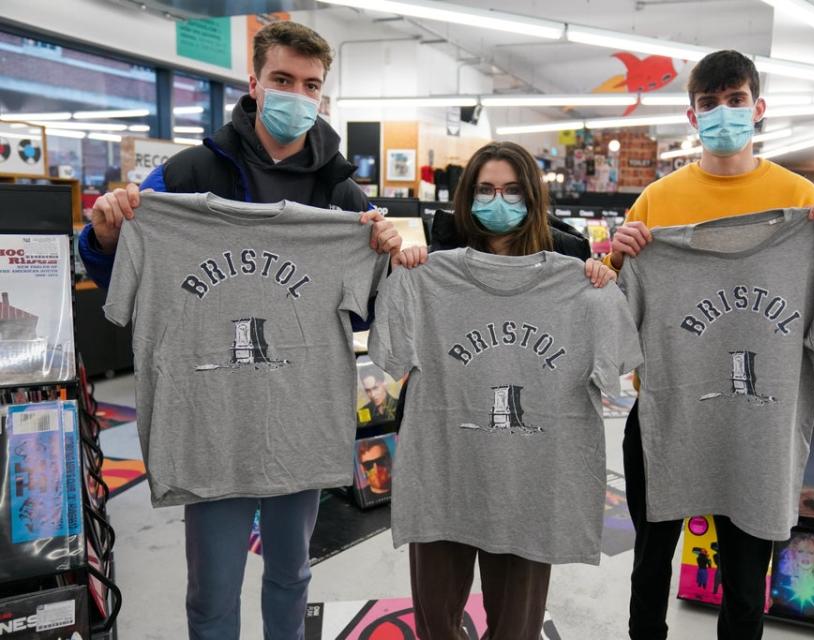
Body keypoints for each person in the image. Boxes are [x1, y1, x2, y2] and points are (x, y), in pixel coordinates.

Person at [77, 21, 400, 640]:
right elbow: (121, 273)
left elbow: (363, 314)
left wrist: (381, 258)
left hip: (299, 423)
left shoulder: (341, 194)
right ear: (254, 83)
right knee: (211, 591)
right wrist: (107, 233)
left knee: (291, 574)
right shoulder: (187, 174)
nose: (297, 96)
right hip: (211, 421)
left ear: (323, 94)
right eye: (283, 79)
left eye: (311, 85)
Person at [604, 50, 814, 640]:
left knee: (747, 586)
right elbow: (619, 319)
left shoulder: (803, 202)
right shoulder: (656, 201)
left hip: (759, 422)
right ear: (692, 117)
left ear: (759, 107)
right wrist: (619, 260)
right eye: (709, 104)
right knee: (650, 567)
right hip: (668, 416)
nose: (724, 113)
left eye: (736, 100)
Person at [391, 141, 616, 640]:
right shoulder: (434, 260)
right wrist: (406, 272)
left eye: (513, 190)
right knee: (435, 611)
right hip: (444, 455)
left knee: (517, 620)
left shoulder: (570, 259)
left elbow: (611, 361)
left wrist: (601, 284)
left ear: (532, 196)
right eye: (486, 190)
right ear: (467, 196)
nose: (499, 200)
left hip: (533, 465)